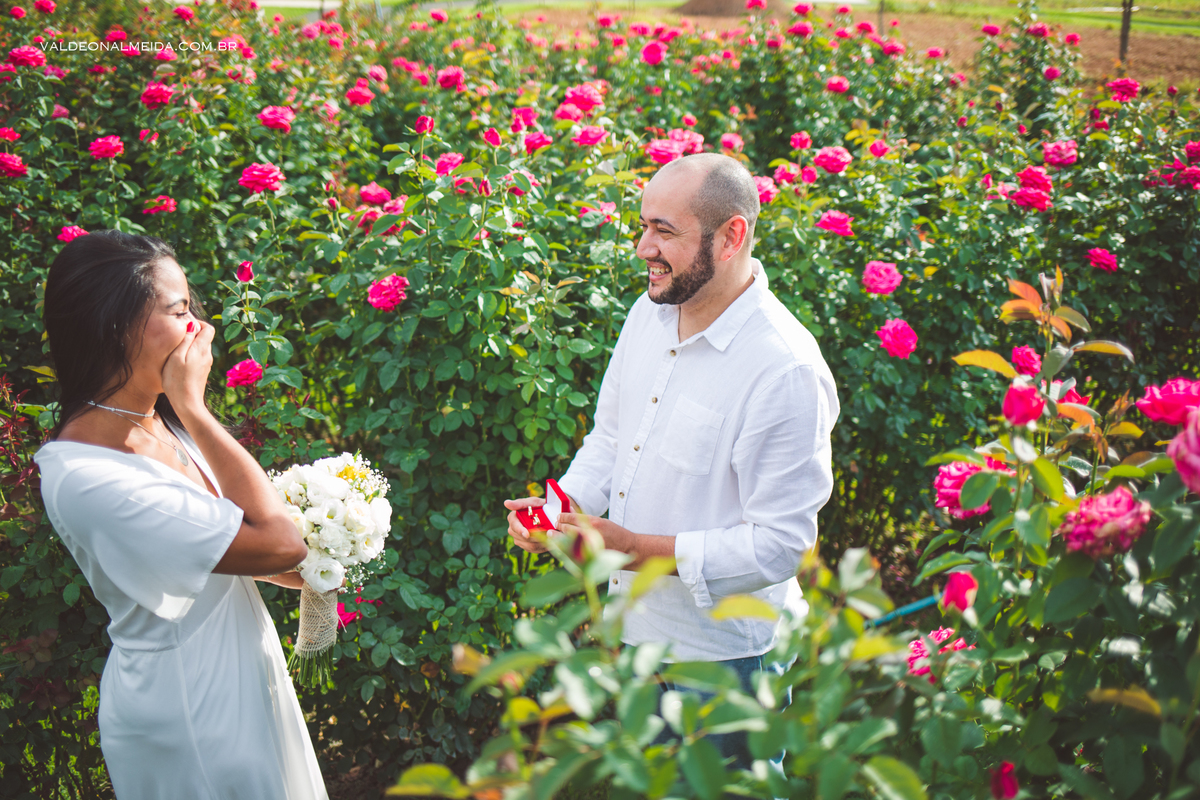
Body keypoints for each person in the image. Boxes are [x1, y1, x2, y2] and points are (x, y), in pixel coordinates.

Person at [504, 153, 840, 769]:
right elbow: (612, 437)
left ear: (732, 236)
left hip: (727, 660)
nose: (641, 248)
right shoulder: (649, 314)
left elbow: (780, 546)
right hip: (636, 634)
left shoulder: (783, 369)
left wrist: (629, 547)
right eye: (642, 226)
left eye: (665, 231)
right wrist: (564, 510)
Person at [33, 231, 328, 799]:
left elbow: (249, 555)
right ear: (111, 327)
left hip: (242, 668)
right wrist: (193, 406)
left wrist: (333, 550)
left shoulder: (153, 421)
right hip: (190, 705)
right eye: (179, 311)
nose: (201, 329)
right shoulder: (90, 478)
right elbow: (279, 544)